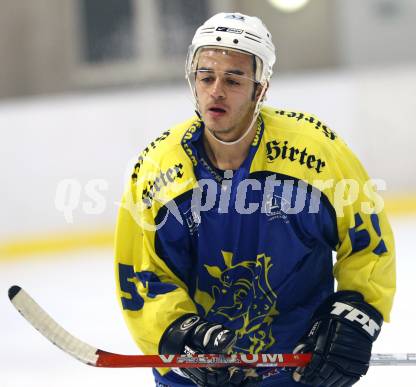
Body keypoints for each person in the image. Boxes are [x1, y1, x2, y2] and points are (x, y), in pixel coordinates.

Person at [115, 12, 396, 387]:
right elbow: (141, 275)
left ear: (260, 89)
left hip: (298, 370)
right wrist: (178, 333)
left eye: (233, 79)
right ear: (192, 80)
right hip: (199, 378)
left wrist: (354, 315)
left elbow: (368, 244)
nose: (216, 90)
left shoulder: (315, 152)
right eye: (206, 76)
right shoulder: (159, 169)